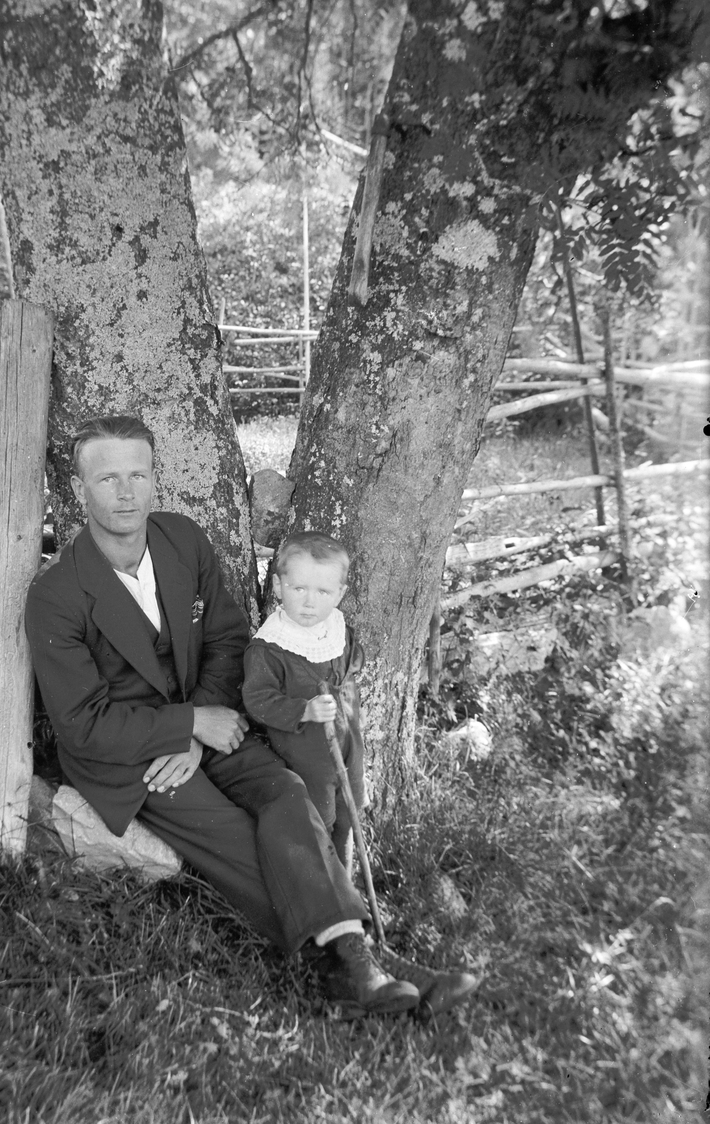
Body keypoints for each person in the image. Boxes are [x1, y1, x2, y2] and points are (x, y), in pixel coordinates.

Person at [25, 414, 475, 1017]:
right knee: (235, 835)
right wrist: (187, 727)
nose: (126, 492)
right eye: (108, 479)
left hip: (212, 723)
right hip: (130, 757)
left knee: (286, 793)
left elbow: (228, 640)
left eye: (138, 474)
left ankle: (359, 965)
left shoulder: (181, 540)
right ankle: (359, 965)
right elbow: (83, 724)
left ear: (155, 477)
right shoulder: (56, 594)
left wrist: (200, 723)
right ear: (80, 489)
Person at [242, 532, 364, 874]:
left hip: (350, 743)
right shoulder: (272, 646)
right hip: (308, 755)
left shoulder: (336, 629)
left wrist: (343, 683)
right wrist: (304, 710)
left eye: (323, 592)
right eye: (299, 589)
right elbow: (258, 699)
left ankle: (349, 875)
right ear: (278, 586)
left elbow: (353, 660)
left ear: (339, 594)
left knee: (350, 811)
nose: (310, 602)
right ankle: (326, 883)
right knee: (320, 820)